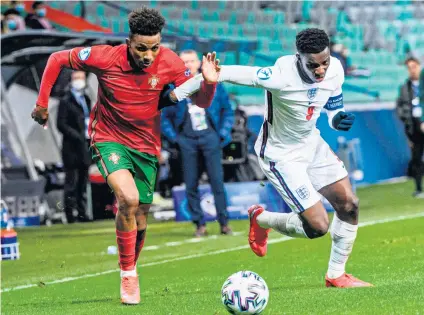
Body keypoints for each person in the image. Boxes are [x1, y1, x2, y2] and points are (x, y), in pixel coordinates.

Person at [30, 7, 218, 305]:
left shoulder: (170, 62)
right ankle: (128, 275)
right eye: (141, 48)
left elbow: (203, 102)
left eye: (154, 47)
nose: (148, 55)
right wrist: (42, 104)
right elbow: (56, 59)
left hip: (146, 146)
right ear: (128, 42)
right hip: (108, 139)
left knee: (140, 215)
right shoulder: (106, 57)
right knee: (128, 200)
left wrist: (208, 82)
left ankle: (130, 264)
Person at [176, 28, 372, 288]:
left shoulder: (335, 68)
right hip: (280, 155)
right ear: (298, 58)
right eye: (313, 65)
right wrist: (179, 92)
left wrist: (337, 119)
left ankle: (336, 275)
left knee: (350, 205)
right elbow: (230, 74)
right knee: (318, 227)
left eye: (324, 62)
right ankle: (261, 218)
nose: (321, 70)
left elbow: (333, 106)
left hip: (311, 143)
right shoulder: (280, 75)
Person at [161, 50, 234, 237]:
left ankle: (224, 222)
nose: (188, 65)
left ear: (198, 63)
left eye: (191, 61)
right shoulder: (172, 88)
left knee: (217, 182)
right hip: (187, 139)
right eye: (184, 62)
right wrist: (175, 139)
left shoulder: (211, 82)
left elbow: (227, 110)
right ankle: (199, 224)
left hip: (210, 137)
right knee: (190, 183)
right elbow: (164, 117)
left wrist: (221, 134)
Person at [57, 71, 92, 223]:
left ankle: (83, 212)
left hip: (85, 146)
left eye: (82, 78)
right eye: (77, 78)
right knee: (71, 182)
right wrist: (76, 135)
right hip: (71, 148)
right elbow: (61, 124)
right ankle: (70, 215)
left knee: (83, 182)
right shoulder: (66, 101)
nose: (80, 81)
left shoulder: (86, 99)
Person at [396, 57, 424, 198]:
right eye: (409, 67)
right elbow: (400, 107)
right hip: (414, 128)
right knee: (416, 158)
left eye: (414, 66)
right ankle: (419, 188)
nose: (412, 70)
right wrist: (406, 122)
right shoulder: (405, 87)